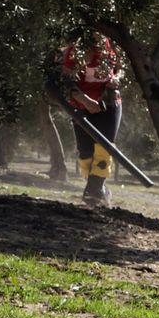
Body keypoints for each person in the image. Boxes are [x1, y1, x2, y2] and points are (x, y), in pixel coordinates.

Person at [48, 35, 124, 206]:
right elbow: (66, 82)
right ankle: (101, 191)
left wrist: (116, 79)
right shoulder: (74, 51)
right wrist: (85, 101)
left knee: (104, 147)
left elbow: (120, 68)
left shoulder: (112, 44)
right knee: (85, 153)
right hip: (81, 106)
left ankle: (93, 193)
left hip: (109, 104)